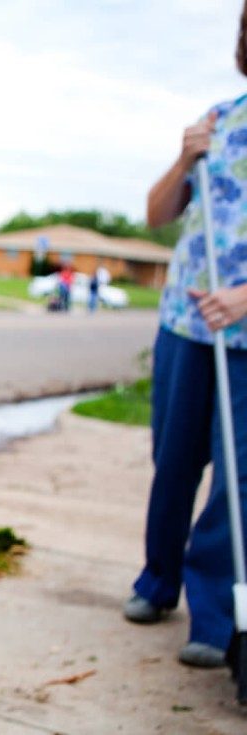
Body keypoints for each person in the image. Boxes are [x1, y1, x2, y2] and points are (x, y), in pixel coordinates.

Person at [124, 4, 247, 669]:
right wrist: (184, 158)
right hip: (186, 323)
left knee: (239, 481)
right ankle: (157, 579)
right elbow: (156, 213)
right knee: (173, 462)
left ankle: (215, 613)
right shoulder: (220, 120)